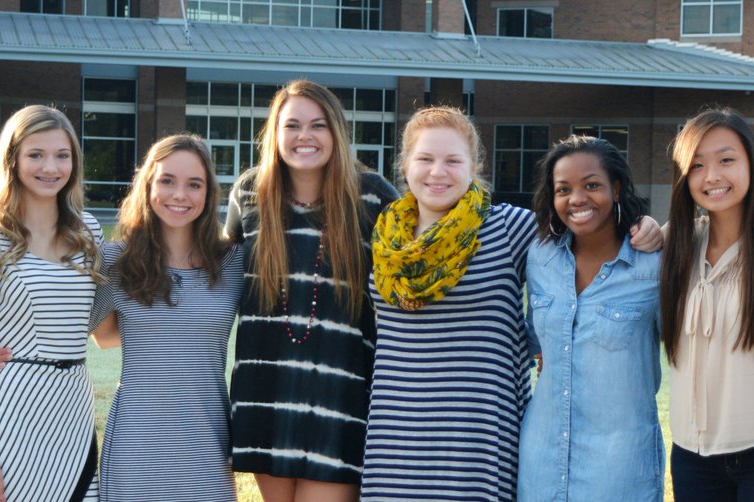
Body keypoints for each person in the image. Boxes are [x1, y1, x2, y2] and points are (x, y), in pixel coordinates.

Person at [361, 106, 661, 500]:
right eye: (425, 159)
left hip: (478, 442)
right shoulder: (383, 238)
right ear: (405, 166)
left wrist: (651, 226)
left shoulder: (507, 227)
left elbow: (582, 227)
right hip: (395, 436)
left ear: (474, 167)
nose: (438, 172)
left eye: (453, 160)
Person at [226, 80, 398, 502]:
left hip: (342, 396)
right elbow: (216, 279)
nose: (305, 136)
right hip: (266, 390)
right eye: (293, 125)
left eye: (318, 125)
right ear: (275, 133)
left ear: (336, 132)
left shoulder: (374, 197)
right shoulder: (250, 192)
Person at [0, 105, 102, 502]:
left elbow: (103, 329)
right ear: (13, 160)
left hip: (73, 409)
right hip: (14, 409)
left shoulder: (90, 232)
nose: (50, 167)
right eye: (36, 154)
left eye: (62, 155)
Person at [661, 108, 754, 501]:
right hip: (691, 456)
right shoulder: (673, 245)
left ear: (750, 165)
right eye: (697, 165)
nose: (712, 176)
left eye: (726, 160)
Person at [86, 134, 243, 501]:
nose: (179, 195)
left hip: (208, 440)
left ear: (208, 193)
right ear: (148, 185)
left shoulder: (233, 262)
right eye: (167, 181)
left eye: (194, 184)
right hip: (136, 440)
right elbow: (103, 336)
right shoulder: (117, 261)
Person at [516, 136, 663, 501]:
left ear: (616, 188)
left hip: (619, 471)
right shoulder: (540, 258)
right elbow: (540, 344)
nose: (577, 199)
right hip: (540, 464)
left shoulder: (653, 265)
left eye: (592, 185)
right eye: (563, 189)